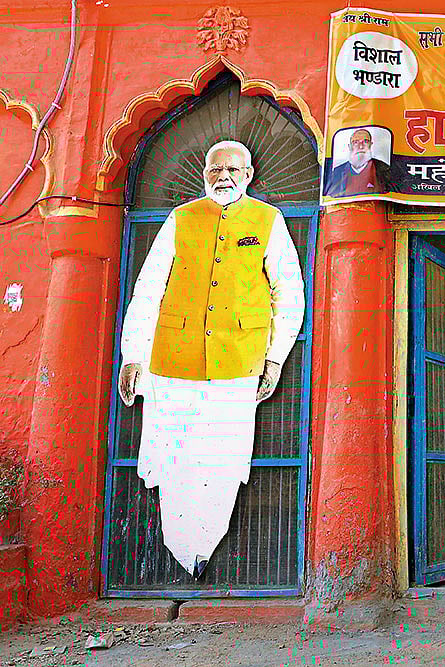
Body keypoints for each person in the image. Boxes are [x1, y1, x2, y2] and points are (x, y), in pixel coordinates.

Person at [117, 140, 305, 578]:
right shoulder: (181, 219)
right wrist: (133, 356)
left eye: (232, 171)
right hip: (172, 361)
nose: (223, 177)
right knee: (173, 456)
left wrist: (274, 359)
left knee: (223, 460)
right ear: (204, 174)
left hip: (237, 362)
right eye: (215, 170)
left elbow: (288, 294)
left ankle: (206, 549)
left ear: (249, 175)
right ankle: (181, 550)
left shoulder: (267, 220)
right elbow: (148, 289)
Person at [322, 127, 391, 197]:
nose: (361, 146)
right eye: (355, 142)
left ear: (371, 145)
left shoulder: (384, 169)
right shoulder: (337, 172)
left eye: (365, 141)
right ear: (349, 147)